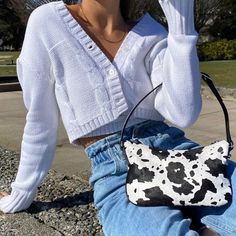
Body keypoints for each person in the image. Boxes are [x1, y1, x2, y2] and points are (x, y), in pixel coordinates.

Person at [0, 0, 235, 235]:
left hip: (180, 154)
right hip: (115, 171)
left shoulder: (152, 32)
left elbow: (183, 114)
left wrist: (181, 26)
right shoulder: (47, 22)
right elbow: (40, 121)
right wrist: (22, 192)